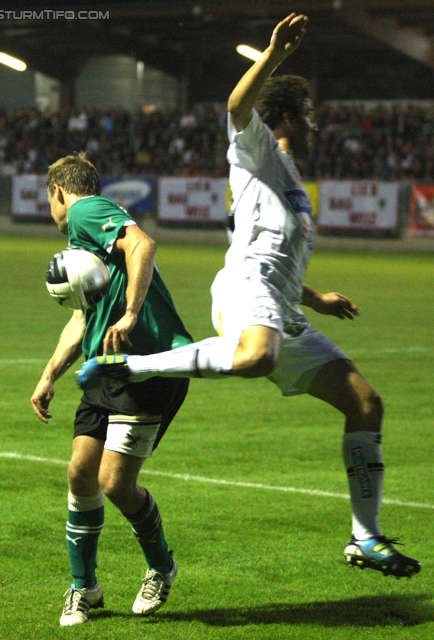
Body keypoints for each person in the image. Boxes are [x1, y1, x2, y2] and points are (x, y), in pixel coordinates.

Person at [77, 14, 421, 578]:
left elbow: (268, 248)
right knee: (255, 357)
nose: (313, 123)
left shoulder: (288, 181)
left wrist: (315, 299)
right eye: (306, 113)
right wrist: (272, 56)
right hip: (245, 290)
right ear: (286, 116)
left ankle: (366, 536)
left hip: (280, 306)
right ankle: (133, 366)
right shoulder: (260, 149)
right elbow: (237, 108)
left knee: (365, 404)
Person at [31, 153, 193, 626]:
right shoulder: (88, 242)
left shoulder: (84, 212)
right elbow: (83, 319)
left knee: (114, 482)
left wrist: (131, 313)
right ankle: (85, 588)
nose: (53, 214)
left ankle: (162, 567)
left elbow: (143, 244)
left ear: (58, 192)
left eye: (50, 202)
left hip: (148, 365)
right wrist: (49, 375)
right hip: (107, 370)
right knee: (81, 473)